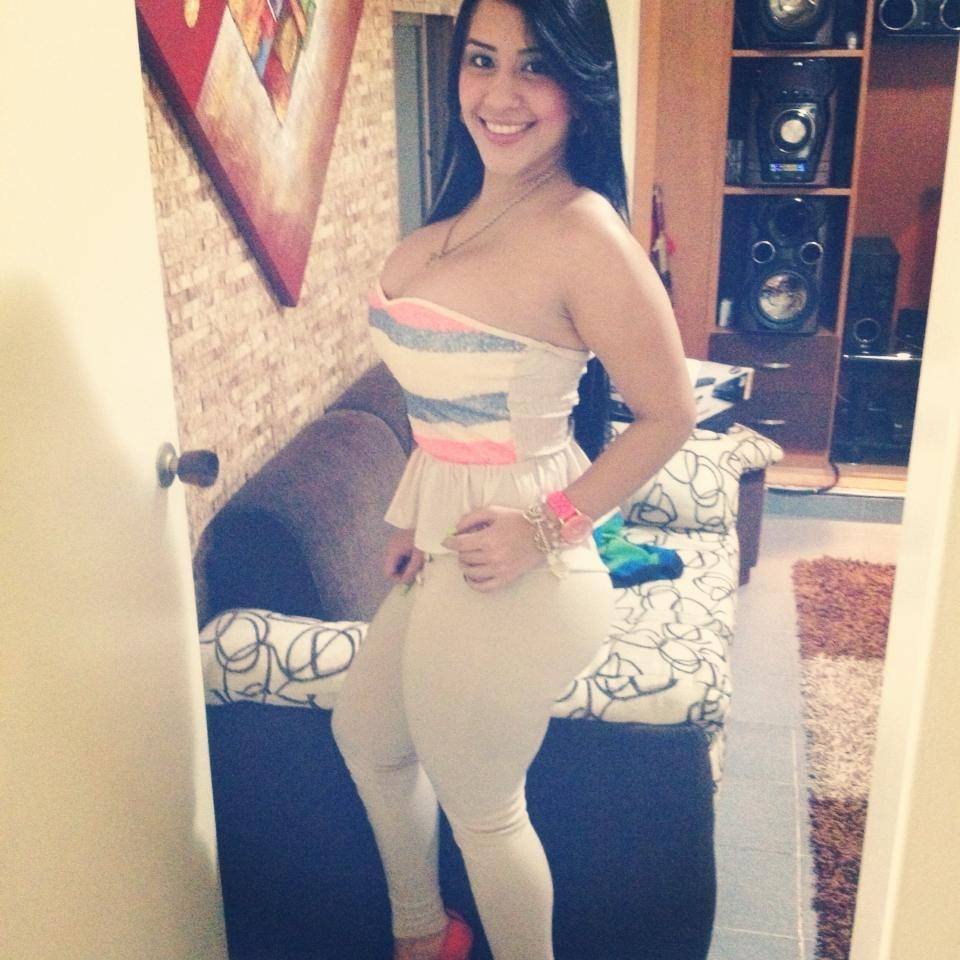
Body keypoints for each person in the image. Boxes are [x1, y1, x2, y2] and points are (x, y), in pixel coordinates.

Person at [331, 1, 696, 958]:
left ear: (583, 83)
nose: (500, 94)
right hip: (445, 541)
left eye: (535, 67)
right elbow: (442, 412)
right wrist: (407, 514)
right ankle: (426, 935)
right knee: (368, 737)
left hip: (526, 559)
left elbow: (670, 415)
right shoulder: (458, 218)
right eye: (481, 60)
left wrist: (545, 528)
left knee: (483, 807)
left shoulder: (587, 237)